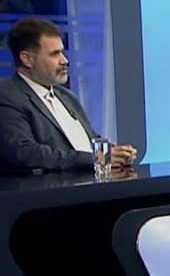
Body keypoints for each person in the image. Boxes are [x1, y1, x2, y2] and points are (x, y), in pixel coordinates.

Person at [0, 18, 137, 170]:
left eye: (62, 52)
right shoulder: (8, 95)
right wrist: (95, 159)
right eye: (54, 54)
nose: (64, 60)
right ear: (27, 59)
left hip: (92, 181)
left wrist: (115, 152)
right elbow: (25, 153)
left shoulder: (66, 96)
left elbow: (90, 140)